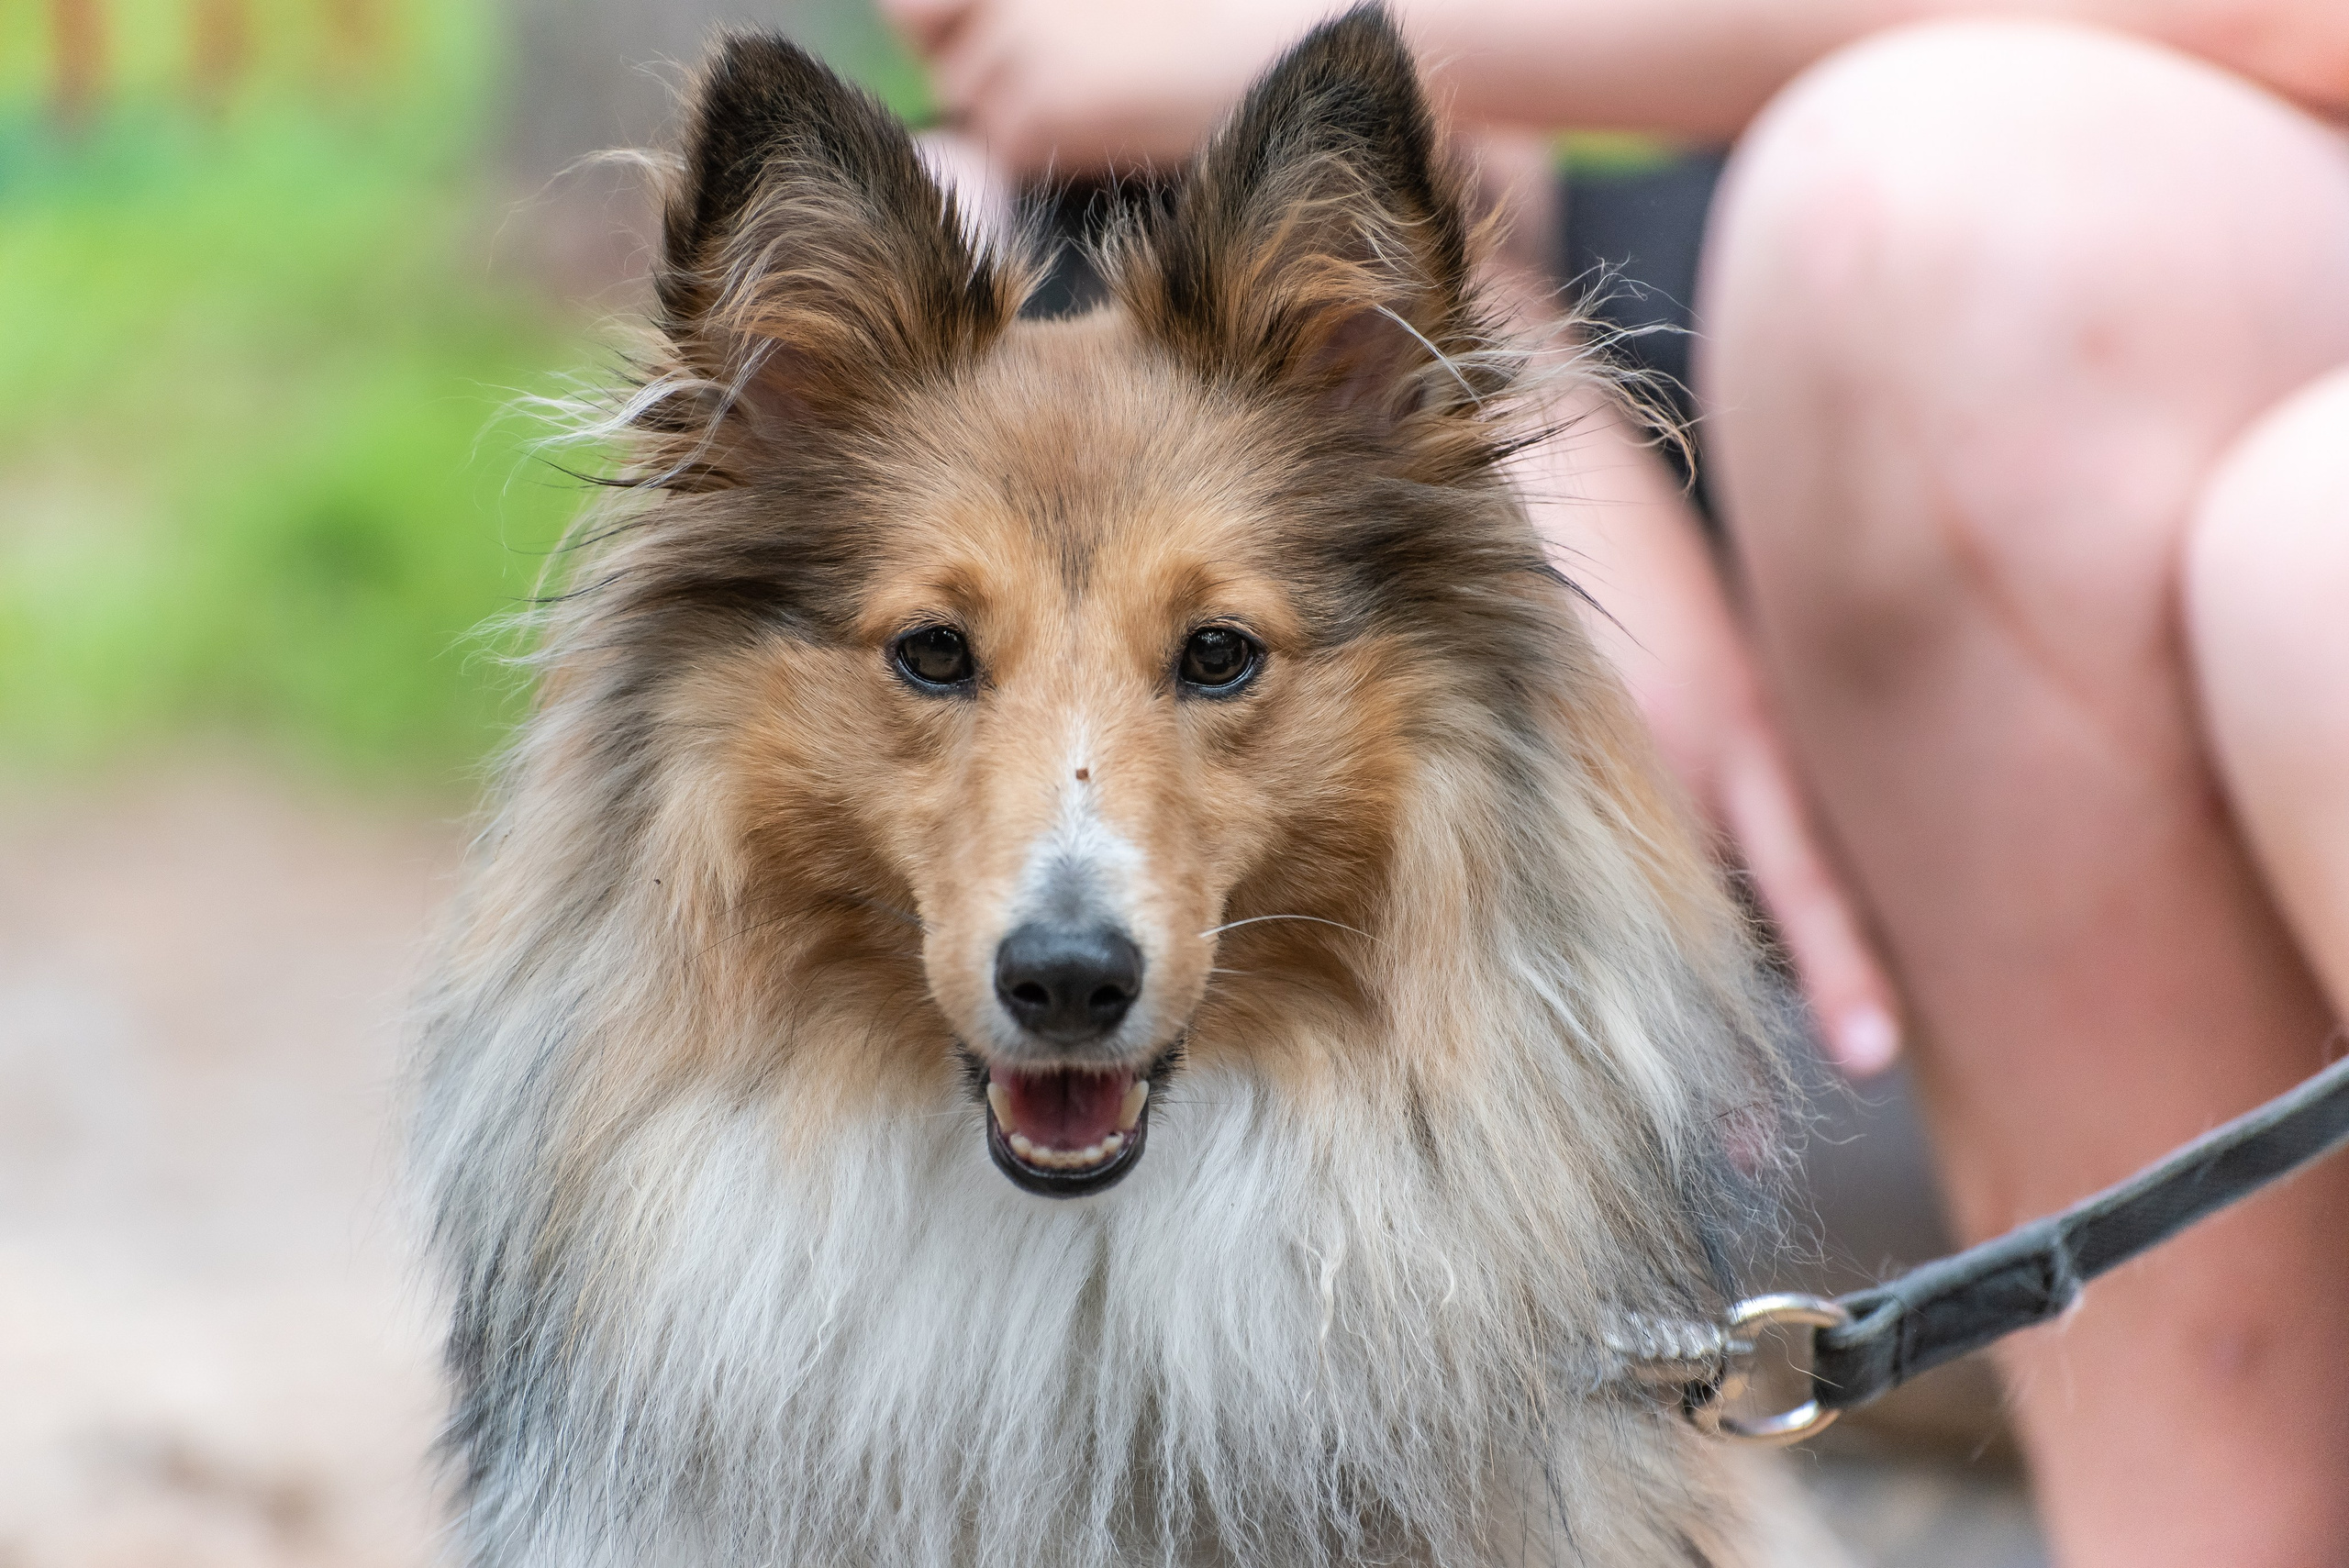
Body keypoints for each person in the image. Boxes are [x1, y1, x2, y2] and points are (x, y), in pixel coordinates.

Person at [873, 2, 2349, 1563]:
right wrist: (1529, 374)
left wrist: (1338, 41)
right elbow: (1027, 43)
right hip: (1612, 225)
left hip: (2069, 197)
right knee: (943, 201)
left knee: (1927, 229)